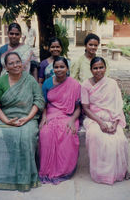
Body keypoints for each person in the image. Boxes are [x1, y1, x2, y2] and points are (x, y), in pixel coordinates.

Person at [0, 52, 45, 191]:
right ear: (6, 67)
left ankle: (26, 177)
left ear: (22, 63)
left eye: (17, 62)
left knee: (26, 136)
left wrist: (28, 118)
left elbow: (38, 100)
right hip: (7, 117)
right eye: (11, 63)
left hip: (28, 117)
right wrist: (7, 121)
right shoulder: (1, 82)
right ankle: (6, 177)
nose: (15, 65)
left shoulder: (30, 80)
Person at [81, 57, 130, 185]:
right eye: (95, 68)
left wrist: (115, 123)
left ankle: (120, 171)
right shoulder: (85, 85)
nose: (98, 70)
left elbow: (117, 106)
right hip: (93, 118)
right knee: (96, 136)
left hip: (112, 117)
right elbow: (86, 108)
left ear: (105, 68)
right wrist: (101, 123)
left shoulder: (112, 84)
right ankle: (101, 173)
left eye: (101, 67)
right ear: (91, 69)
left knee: (120, 140)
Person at [39, 56, 81, 184]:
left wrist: (72, 120)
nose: (59, 69)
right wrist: (44, 118)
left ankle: (64, 170)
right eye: (56, 67)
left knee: (67, 133)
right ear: (53, 69)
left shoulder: (74, 84)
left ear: (67, 68)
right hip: (51, 113)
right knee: (45, 133)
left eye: (62, 67)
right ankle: (46, 170)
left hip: (68, 116)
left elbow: (78, 108)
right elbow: (44, 104)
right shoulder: (47, 83)